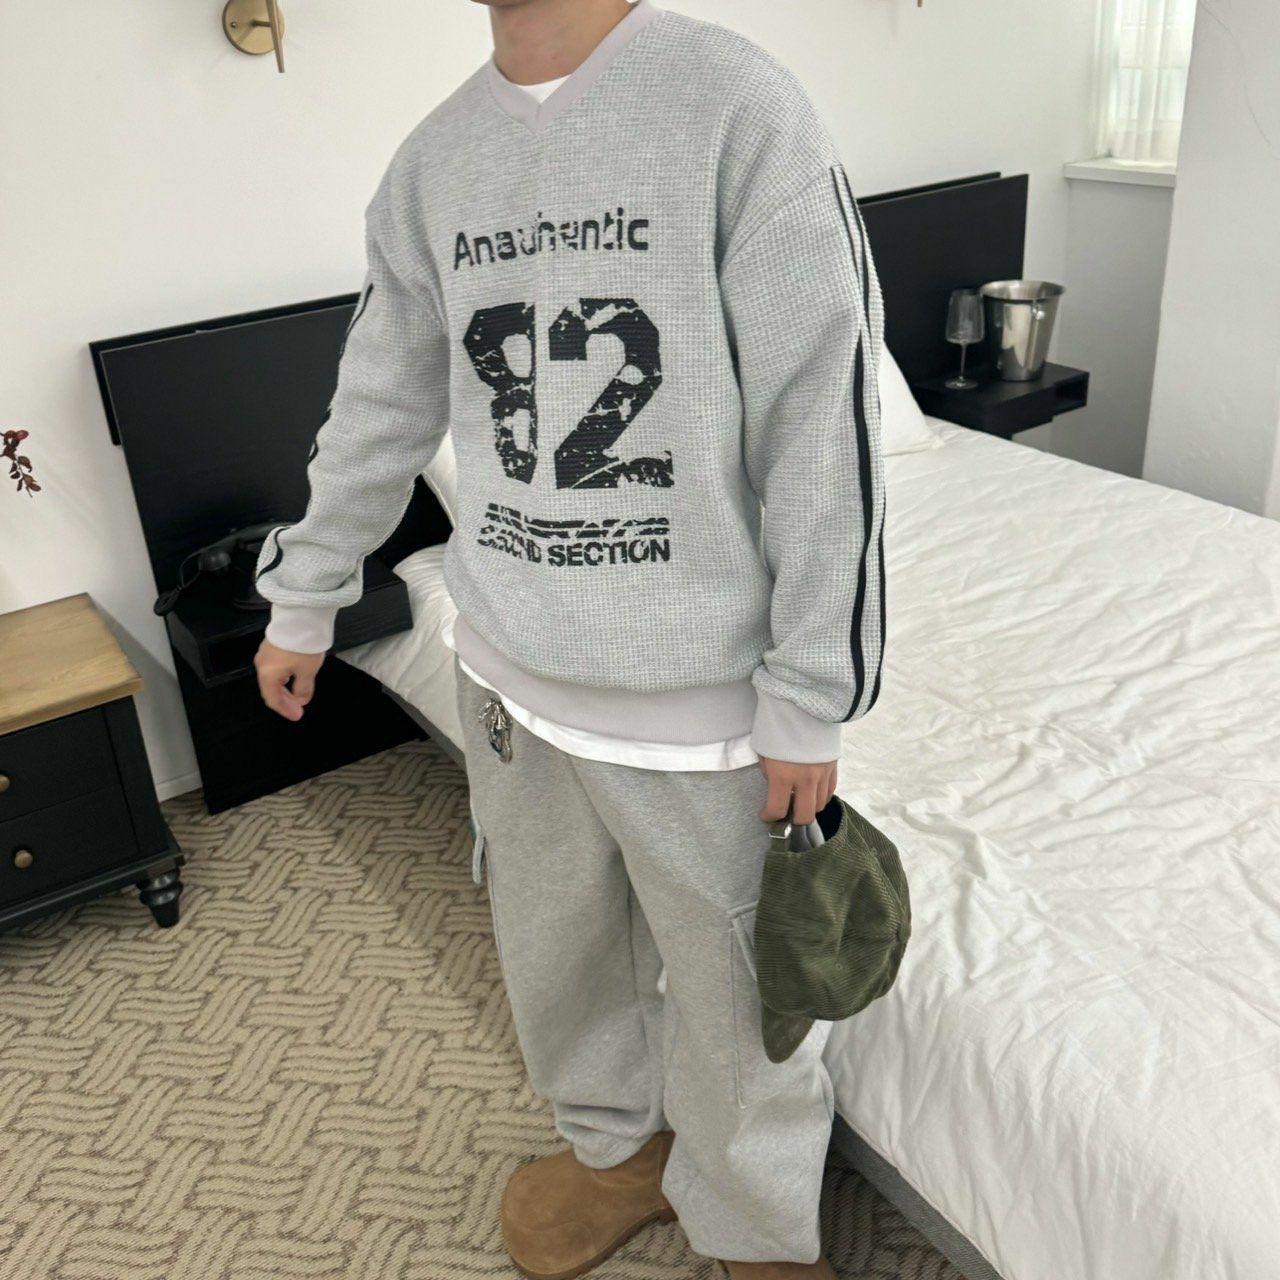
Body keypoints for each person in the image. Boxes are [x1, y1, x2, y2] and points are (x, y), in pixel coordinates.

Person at [253, 0, 885, 1275]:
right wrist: (307, 588)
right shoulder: (433, 162)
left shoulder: (735, 106)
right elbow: (380, 397)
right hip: (505, 671)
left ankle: (758, 1230)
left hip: (699, 696)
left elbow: (821, 415)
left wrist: (811, 686)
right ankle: (613, 1152)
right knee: (555, 954)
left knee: (737, 999)